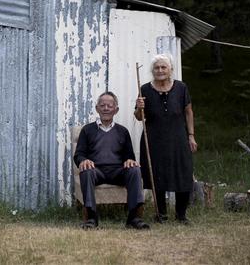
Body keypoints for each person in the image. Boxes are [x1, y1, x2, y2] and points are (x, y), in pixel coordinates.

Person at [134, 54, 197, 224]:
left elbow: (188, 112)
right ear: (152, 71)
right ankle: (160, 213)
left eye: (163, 67)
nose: (160, 70)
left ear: (170, 70)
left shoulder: (181, 88)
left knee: (183, 173)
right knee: (157, 173)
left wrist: (191, 136)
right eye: (157, 68)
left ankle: (181, 215)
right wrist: (139, 107)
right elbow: (139, 117)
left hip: (178, 137)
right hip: (154, 138)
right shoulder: (145, 89)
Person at [74, 91, 149, 229]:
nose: (106, 108)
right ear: (97, 108)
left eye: (110, 105)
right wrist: (83, 160)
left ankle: (134, 218)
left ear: (116, 109)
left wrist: (129, 161)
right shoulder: (87, 130)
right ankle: (91, 218)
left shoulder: (123, 131)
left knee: (135, 170)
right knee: (86, 171)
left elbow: (129, 156)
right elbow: (79, 154)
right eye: (102, 105)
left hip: (117, 172)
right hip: (96, 171)